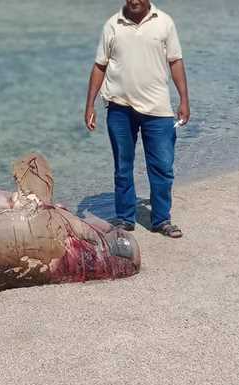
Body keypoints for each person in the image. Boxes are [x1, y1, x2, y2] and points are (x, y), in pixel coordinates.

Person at [84, 0, 189, 238]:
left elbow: (175, 61)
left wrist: (184, 100)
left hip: (158, 110)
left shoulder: (164, 23)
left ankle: (162, 219)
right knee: (123, 167)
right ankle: (124, 219)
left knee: (162, 167)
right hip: (120, 108)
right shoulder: (112, 25)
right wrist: (90, 104)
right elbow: (100, 65)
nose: (134, 0)